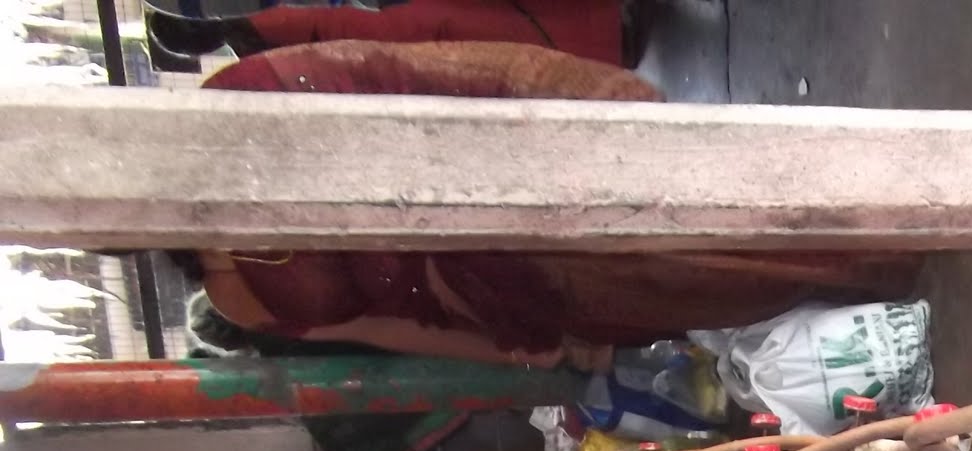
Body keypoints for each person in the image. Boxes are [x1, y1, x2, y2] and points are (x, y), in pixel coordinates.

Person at [185, 40, 915, 370]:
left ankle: (901, 203)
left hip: (502, 151)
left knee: (707, 188)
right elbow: (384, 329)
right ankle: (878, 265)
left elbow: (384, 71)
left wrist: (523, 116)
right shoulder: (236, 298)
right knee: (718, 276)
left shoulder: (223, 111)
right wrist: (519, 348)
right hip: (509, 291)